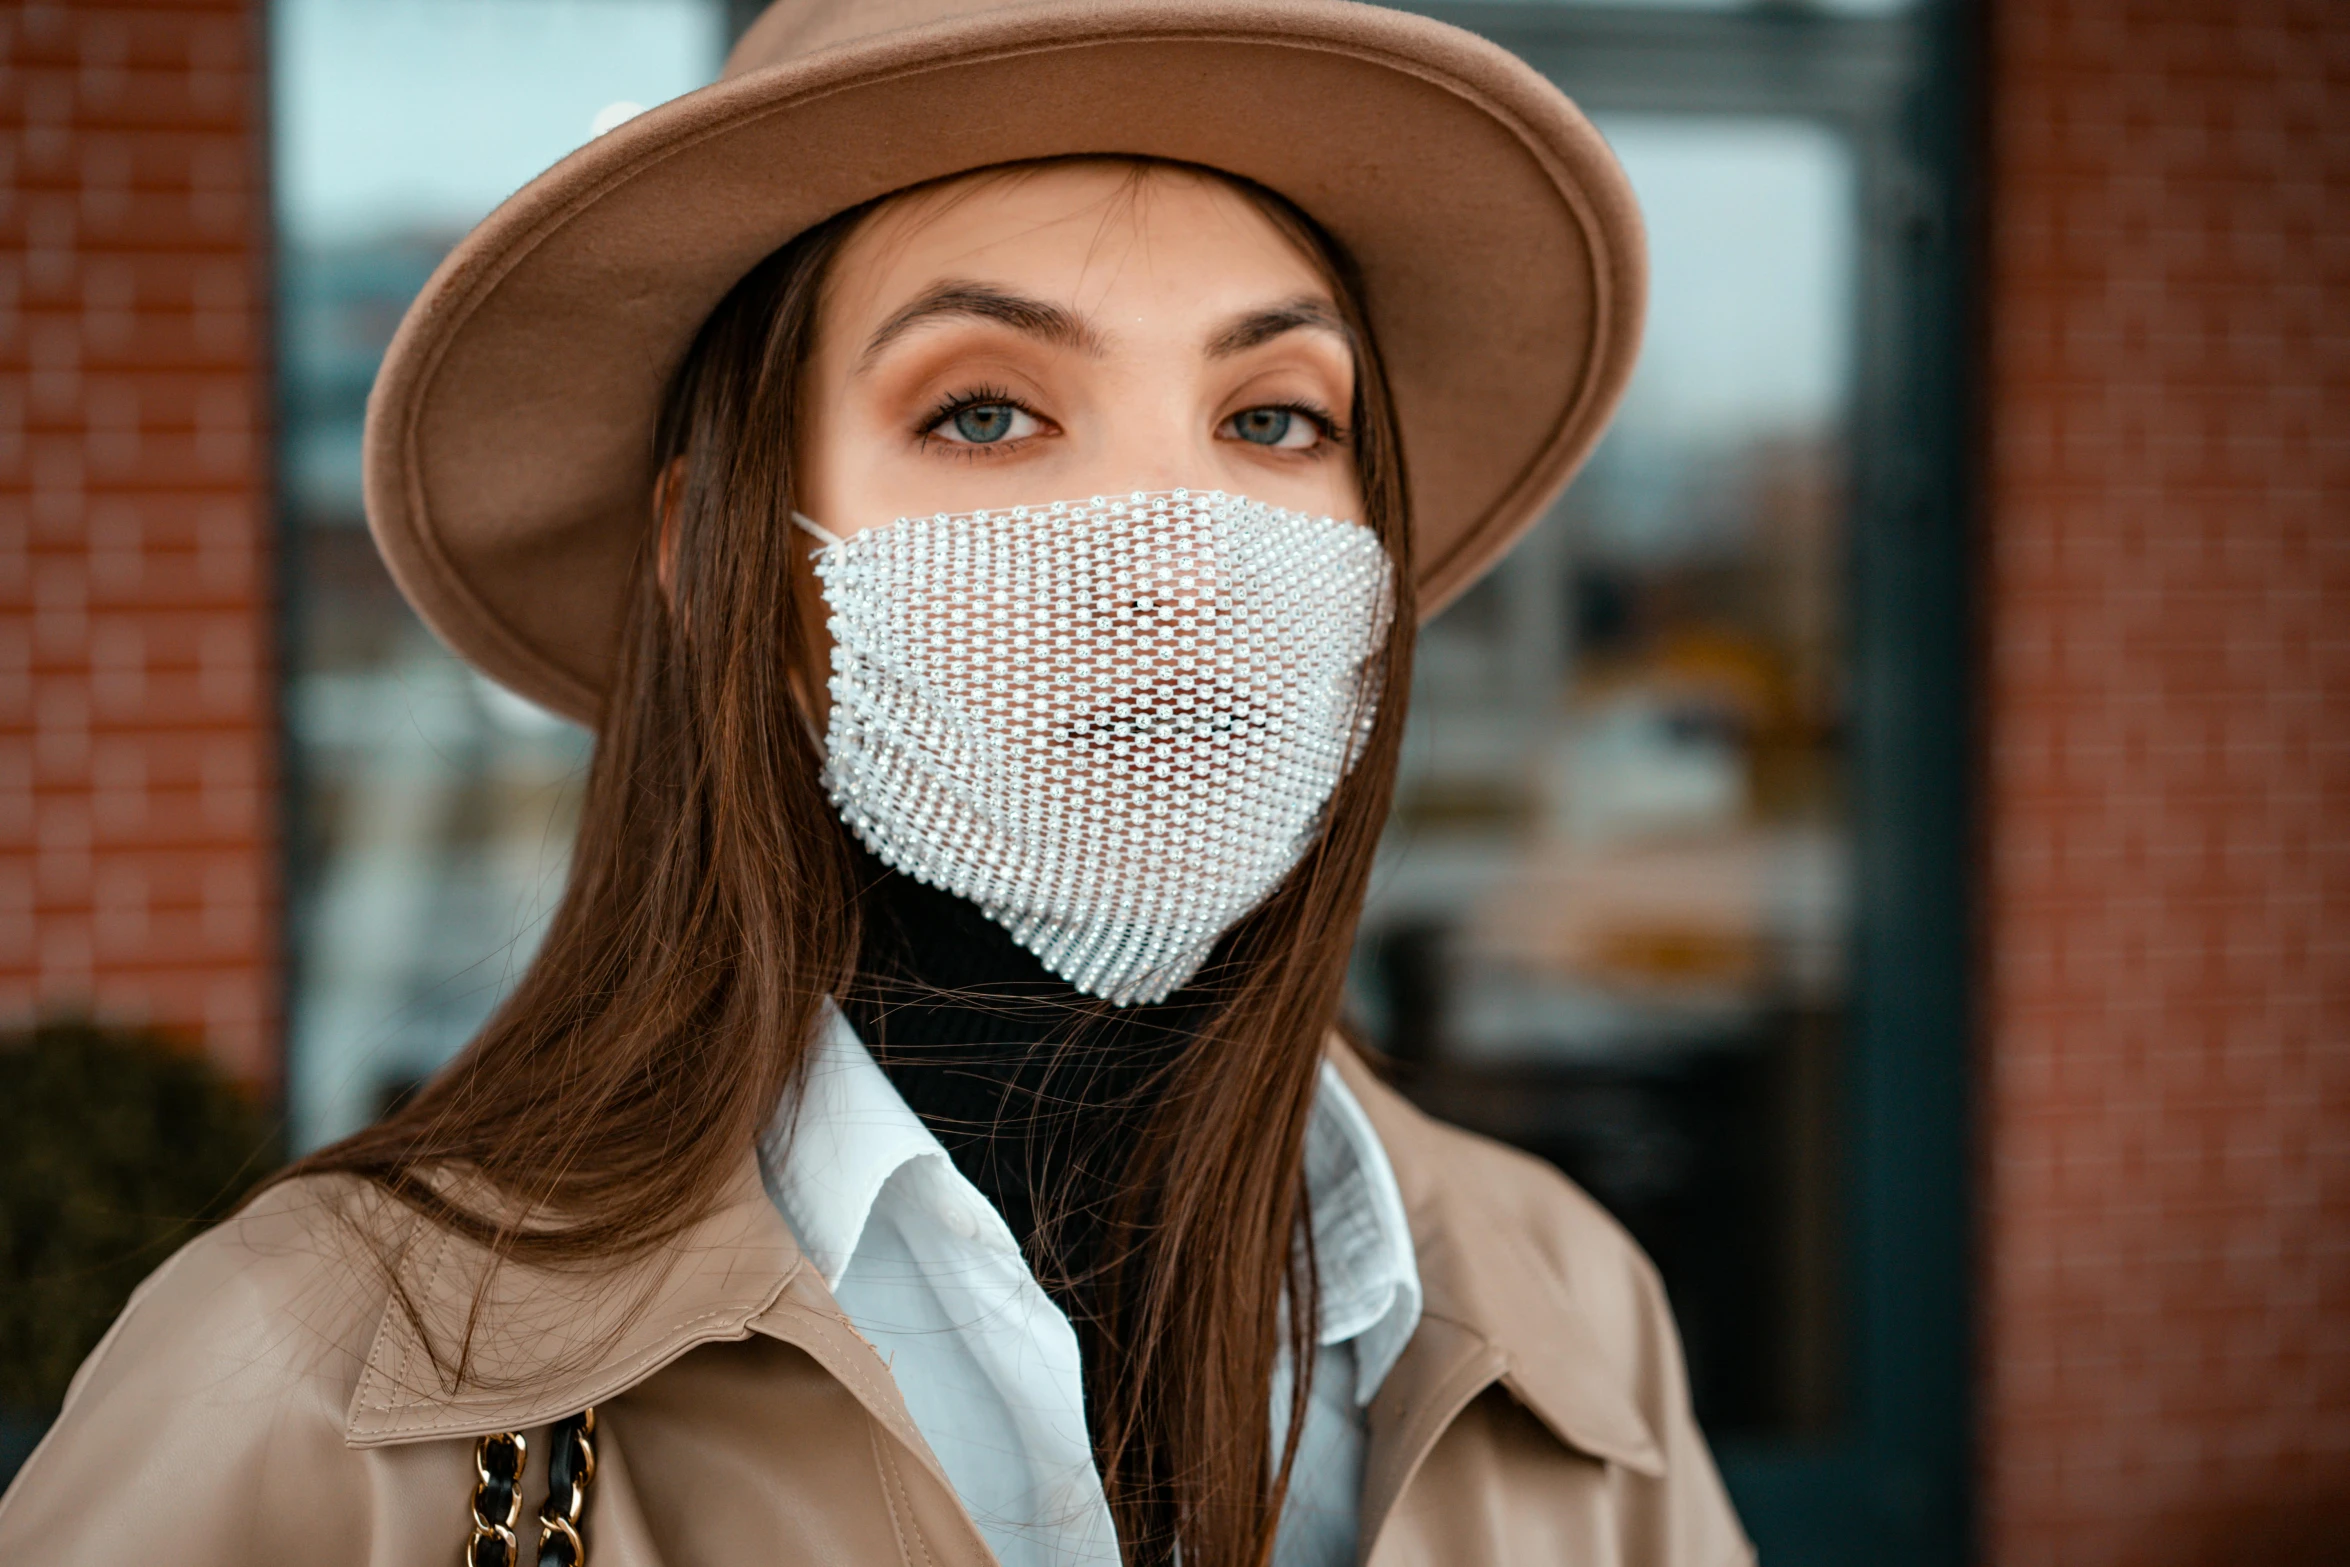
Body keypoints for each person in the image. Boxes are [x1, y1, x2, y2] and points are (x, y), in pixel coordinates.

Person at [0, 2, 1752, 1564]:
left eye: (1275, 419)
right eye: (985, 410)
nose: (1185, 564)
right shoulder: (311, 1375)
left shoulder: (1568, 1309)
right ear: (719, 560)